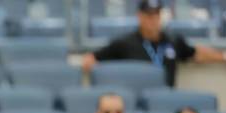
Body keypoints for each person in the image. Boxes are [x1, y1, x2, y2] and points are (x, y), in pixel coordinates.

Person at [81, 0, 226, 87]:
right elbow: (90, 60)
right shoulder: (124, 43)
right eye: (149, 15)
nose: (153, 19)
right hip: (138, 100)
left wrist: (222, 57)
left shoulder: (173, 40)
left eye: (156, 14)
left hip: (166, 97)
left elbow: (196, 53)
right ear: (139, 16)